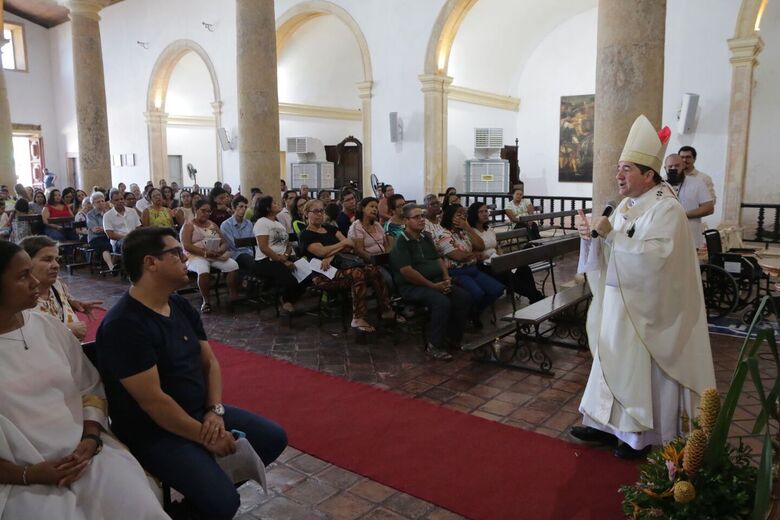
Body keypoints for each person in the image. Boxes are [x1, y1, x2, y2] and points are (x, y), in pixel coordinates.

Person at [95, 227, 287, 518]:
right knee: (225, 503)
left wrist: (215, 411)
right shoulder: (125, 325)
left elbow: (209, 363)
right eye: (175, 252)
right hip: (153, 431)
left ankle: (197, 503)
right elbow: (154, 403)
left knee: (273, 438)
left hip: (200, 411)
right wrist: (205, 436)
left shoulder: (179, 304)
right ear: (150, 263)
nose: (185, 256)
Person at [570, 115, 716, 459]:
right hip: (621, 301)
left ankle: (638, 437)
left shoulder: (667, 209)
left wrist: (609, 237)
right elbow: (609, 248)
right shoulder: (627, 205)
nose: (618, 175)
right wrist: (589, 238)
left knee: (637, 368)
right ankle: (604, 425)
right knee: (612, 360)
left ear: (649, 175)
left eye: (626, 169)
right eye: (618, 168)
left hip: (651, 308)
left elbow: (657, 259)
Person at [0, 241, 168, 520]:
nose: (34, 282)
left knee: (141, 509)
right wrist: (28, 474)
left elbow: (89, 387)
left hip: (85, 454)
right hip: (19, 477)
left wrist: (91, 437)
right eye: (21, 277)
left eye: (31, 272)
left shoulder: (47, 326)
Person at [299, 199, 396, 333]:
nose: (319, 214)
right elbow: (321, 251)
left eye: (321, 211)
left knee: (373, 270)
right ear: (306, 214)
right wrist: (339, 246)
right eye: (315, 211)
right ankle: (358, 318)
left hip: (342, 266)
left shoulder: (330, 228)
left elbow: (350, 244)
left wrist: (331, 255)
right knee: (357, 273)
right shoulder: (305, 234)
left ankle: (386, 309)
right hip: (324, 274)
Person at [390, 204, 472, 360]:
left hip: (436, 282)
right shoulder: (402, 242)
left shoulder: (425, 237)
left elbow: (438, 259)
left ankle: (453, 338)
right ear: (406, 221)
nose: (421, 220)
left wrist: (446, 278)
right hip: (412, 287)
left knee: (463, 297)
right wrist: (433, 286)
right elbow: (407, 272)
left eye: (422, 216)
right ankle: (435, 345)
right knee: (441, 302)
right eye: (416, 217)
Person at [21, 235, 104, 341]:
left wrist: (73, 304)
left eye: (57, 259)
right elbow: (20, 339)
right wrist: (66, 330)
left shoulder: (57, 284)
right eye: (47, 259)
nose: (56, 265)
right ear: (26, 262)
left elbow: (60, 303)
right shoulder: (18, 300)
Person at [439, 204, 503, 328]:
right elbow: (458, 256)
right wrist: (475, 255)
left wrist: (468, 228)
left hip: (472, 269)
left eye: (465, 214)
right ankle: (468, 316)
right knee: (477, 293)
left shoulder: (464, 233)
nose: (463, 217)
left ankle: (474, 312)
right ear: (450, 217)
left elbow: (481, 246)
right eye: (459, 214)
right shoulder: (444, 235)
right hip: (457, 272)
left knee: (497, 289)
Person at [467, 201, 543, 303]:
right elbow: (474, 251)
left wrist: (500, 254)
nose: (485, 213)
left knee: (524, 268)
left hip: (497, 260)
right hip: (484, 265)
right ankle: (536, 297)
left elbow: (496, 245)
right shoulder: (471, 231)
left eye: (486, 211)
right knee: (507, 275)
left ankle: (534, 297)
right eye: (481, 212)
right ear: (474, 214)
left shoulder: (488, 229)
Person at [180, 200, 240, 313]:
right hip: (195, 256)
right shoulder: (188, 226)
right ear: (196, 210)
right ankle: (206, 301)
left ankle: (233, 295)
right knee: (203, 269)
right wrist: (204, 253)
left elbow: (224, 242)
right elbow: (186, 245)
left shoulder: (212, 225)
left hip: (214, 254)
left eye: (209, 211)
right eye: (203, 211)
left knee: (233, 265)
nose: (206, 213)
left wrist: (221, 250)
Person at [252, 195, 305, 313]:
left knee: (307, 274)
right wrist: (283, 260)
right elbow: (264, 247)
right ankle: (286, 299)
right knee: (290, 280)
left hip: (283, 258)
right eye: (274, 203)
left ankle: (289, 300)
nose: (277, 204)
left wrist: (286, 256)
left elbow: (288, 244)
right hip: (266, 261)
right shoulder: (262, 223)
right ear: (267, 208)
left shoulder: (278, 223)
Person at [664, 153, 713, 249]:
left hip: (690, 239)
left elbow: (709, 208)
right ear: (665, 168)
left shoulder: (697, 183)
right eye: (670, 166)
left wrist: (683, 214)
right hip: (665, 239)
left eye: (677, 166)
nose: (673, 168)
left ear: (683, 166)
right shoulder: (658, 184)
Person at [220, 195, 256, 273]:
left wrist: (254, 252)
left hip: (249, 252)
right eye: (241, 207)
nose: (243, 209)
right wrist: (250, 251)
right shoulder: (226, 225)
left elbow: (253, 241)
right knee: (248, 260)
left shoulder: (248, 223)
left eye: (245, 207)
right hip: (235, 254)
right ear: (233, 208)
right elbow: (234, 245)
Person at [104, 188, 142, 254]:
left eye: (121, 199)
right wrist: (128, 237)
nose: (120, 201)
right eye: (116, 200)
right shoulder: (107, 216)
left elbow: (138, 228)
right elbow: (110, 235)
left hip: (133, 239)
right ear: (111, 201)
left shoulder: (132, 211)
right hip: (118, 242)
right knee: (128, 243)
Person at [85, 192, 116, 271]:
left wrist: (106, 228)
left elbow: (115, 226)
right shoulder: (90, 215)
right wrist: (108, 228)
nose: (101, 203)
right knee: (105, 246)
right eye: (98, 202)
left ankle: (117, 265)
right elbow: (96, 230)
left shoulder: (109, 212)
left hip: (109, 235)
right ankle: (111, 267)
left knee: (118, 244)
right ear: (93, 204)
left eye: (102, 201)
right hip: (96, 238)